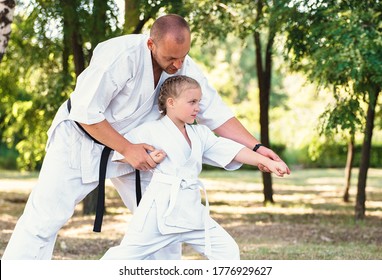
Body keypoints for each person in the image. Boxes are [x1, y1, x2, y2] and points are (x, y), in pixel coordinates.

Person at [2, 14, 289, 260]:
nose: (178, 65)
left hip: (139, 148)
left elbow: (215, 113)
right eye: (170, 58)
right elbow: (85, 111)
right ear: (151, 43)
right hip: (79, 141)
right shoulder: (119, 56)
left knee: (166, 216)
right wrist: (127, 148)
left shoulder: (183, 65)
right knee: (43, 221)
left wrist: (257, 147)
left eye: (183, 56)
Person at [101, 75, 289, 260]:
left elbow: (230, 150)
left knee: (227, 251)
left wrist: (266, 162)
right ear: (171, 102)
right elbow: (121, 154)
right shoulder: (150, 130)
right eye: (192, 102)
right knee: (123, 258)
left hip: (191, 211)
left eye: (199, 102)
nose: (197, 108)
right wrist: (147, 157)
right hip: (158, 214)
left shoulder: (200, 133)